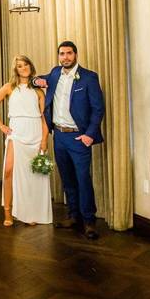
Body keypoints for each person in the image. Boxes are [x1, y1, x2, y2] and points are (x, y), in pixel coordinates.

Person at [33, 41, 105, 240]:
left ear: (76, 55)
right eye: (62, 54)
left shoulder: (89, 77)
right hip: (60, 136)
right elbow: (39, 80)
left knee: (83, 179)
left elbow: (98, 109)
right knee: (67, 179)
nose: (65, 57)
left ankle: (89, 221)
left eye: (69, 53)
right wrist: (36, 82)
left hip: (78, 137)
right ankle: (74, 217)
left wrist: (89, 134)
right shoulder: (55, 73)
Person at [0, 56, 52, 227]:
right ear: (16, 70)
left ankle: (29, 212)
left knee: (33, 175)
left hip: (35, 134)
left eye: (26, 64)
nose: (23, 68)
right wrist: (1, 126)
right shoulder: (9, 88)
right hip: (17, 134)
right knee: (9, 171)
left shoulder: (38, 91)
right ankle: (8, 212)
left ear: (31, 66)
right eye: (19, 66)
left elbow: (44, 117)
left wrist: (44, 140)